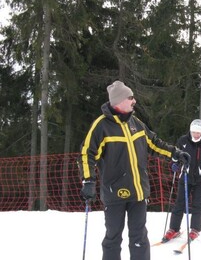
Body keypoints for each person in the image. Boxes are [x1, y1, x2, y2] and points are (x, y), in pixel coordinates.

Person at [78, 80, 190, 260]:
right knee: (113, 237)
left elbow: (154, 143)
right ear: (119, 101)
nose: (133, 100)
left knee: (139, 236)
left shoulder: (135, 122)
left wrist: (175, 154)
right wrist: (88, 180)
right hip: (115, 192)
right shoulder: (101, 126)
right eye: (130, 97)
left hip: (138, 191)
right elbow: (86, 154)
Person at [162, 119, 201, 242]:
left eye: (198, 133)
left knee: (197, 204)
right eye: (194, 132)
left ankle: (195, 229)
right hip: (185, 176)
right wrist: (174, 164)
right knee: (179, 203)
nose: (196, 135)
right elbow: (176, 155)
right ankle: (174, 228)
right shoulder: (183, 141)